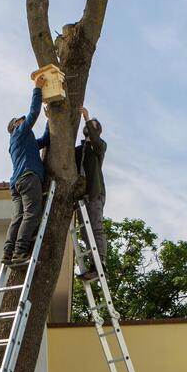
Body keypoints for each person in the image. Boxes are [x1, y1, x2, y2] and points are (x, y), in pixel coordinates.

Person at [3, 74, 50, 265]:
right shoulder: (19, 132)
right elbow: (33, 113)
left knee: (18, 217)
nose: (24, 121)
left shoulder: (22, 141)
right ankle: (20, 252)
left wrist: (49, 121)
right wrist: (37, 89)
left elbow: (45, 140)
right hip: (28, 178)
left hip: (16, 184)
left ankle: (7, 252)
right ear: (15, 125)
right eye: (20, 120)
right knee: (32, 214)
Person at [75, 106, 107, 280]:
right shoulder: (79, 150)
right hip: (81, 197)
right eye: (87, 125)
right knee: (86, 233)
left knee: (96, 229)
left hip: (95, 194)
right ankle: (93, 265)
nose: (88, 127)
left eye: (93, 126)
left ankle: (100, 264)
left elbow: (95, 140)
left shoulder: (99, 148)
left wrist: (86, 117)